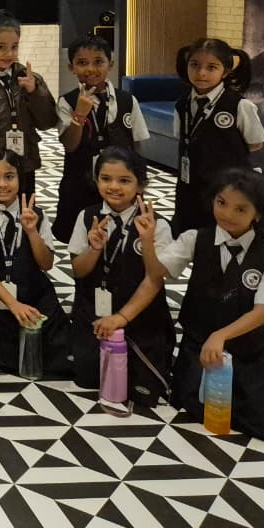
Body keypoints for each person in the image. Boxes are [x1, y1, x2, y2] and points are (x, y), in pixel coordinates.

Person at [143, 168, 264, 448]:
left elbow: (262, 312)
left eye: (241, 209)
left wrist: (221, 335)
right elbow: (157, 272)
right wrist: (147, 241)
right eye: (221, 203)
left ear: (258, 214)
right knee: (192, 402)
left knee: (254, 413)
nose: (227, 214)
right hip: (200, 346)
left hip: (249, 349)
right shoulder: (195, 238)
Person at [68, 148, 173, 405]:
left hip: (140, 318)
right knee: (87, 378)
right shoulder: (87, 216)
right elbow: (78, 271)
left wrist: (147, 242)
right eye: (106, 179)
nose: (114, 187)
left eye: (124, 180)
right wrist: (94, 248)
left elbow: (155, 278)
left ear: (141, 184)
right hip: (94, 315)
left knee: (142, 391)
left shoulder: (157, 224)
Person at [0, 149, 71, 376]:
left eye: (9, 176)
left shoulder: (36, 214)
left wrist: (32, 232)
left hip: (33, 295)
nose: (2, 184)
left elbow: (47, 263)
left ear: (20, 178)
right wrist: (13, 304)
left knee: (63, 361)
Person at [53, 35, 149, 243]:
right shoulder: (67, 102)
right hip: (80, 184)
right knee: (79, 239)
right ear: (71, 68)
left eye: (98, 62)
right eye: (82, 63)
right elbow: (70, 145)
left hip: (120, 185)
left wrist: (140, 184)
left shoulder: (127, 100)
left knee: (120, 237)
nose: (91, 69)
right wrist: (79, 114)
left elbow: (137, 145)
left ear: (110, 64)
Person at [172, 38, 264, 236]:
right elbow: (181, 138)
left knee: (220, 239)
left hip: (227, 191)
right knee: (187, 238)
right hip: (188, 188)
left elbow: (256, 143)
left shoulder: (239, 106)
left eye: (211, 67)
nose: (201, 73)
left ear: (225, 71)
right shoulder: (182, 104)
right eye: (194, 65)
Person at [0, 10, 56, 196]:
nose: (9, 53)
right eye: (1, 47)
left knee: (25, 209)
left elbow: (47, 122)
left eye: (14, 47)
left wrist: (34, 92)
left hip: (24, 164)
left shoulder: (31, 79)